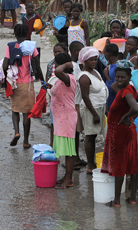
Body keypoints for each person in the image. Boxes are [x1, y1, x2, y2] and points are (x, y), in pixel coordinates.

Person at [102, 60, 138, 207]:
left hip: (120, 132)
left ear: (129, 77)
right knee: (132, 164)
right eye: (118, 77)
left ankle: (116, 201)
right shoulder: (128, 89)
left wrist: (126, 117)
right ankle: (132, 198)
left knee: (120, 165)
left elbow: (135, 106)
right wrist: (131, 117)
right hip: (129, 131)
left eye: (123, 77)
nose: (120, 80)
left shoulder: (127, 91)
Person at [3, 24, 44, 149]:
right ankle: (26, 141)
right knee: (26, 113)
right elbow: (37, 67)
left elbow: (5, 66)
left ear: (15, 34)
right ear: (27, 33)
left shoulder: (10, 46)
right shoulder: (31, 46)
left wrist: (5, 80)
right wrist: (43, 81)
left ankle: (16, 132)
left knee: (15, 110)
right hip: (28, 84)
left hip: (14, 83)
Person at [78, 47, 109, 173]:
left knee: (96, 134)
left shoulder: (95, 72)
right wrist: (94, 114)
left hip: (100, 107)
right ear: (84, 61)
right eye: (91, 60)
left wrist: (104, 109)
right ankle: (90, 165)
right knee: (90, 136)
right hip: (91, 109)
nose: (94, 62)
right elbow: (85, 97)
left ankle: (94, 163)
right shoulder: (84, 77)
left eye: (95, 59)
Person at [50, 54, 77, 189]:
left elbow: (57, 71)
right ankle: (66, 176)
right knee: (66, 149)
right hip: (60, 118)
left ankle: (69, 179)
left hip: (66, 118)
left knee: (69, 150)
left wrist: (67, 64)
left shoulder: (68, 78)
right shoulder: (61, 80)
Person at [45, 42, 68, 147]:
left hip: (66, 97)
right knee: (54, 122)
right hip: (54, 96)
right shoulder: (51, 64)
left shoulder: (68, 64)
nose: (57, 53)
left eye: (60, 51)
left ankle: (64, 143)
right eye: (55, 52)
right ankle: (53, 143)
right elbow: (48, 79)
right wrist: (49, 91)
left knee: (65, 121)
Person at [70, 41, 87, 168]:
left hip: (75, 102)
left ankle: (76, 157)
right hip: (74, 102)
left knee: (76, 132)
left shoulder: (76, 65)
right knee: (74, 132)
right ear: (76, 52)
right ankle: (73, 158)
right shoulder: (74, 66)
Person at [104, 43, 119, 111]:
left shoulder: (116, 67)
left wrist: (106, 75)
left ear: (108, 54)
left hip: (114, 101)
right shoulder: (111, 66)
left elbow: (114, 86)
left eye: (105, 53)